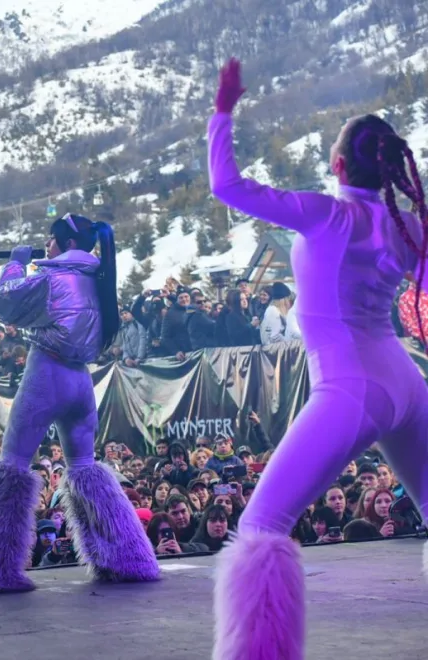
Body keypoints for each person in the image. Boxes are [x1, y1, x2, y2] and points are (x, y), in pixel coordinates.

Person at [207, 58, 428, 660]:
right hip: (408, 383)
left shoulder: (326, 214)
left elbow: (227, 186)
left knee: (259, 530)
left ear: (336, 166)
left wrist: (223, 112)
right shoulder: (411, 224)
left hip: (350, 388)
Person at [0, 213, 158, 592]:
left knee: (12, 466)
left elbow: (5, 305)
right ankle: (129, 556)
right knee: (85, 466)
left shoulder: (51, 279)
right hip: (81, 382)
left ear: (66, 245)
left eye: (50, 241)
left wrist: (15, 263)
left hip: (45, 376)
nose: (46, 247)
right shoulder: (100, 281)